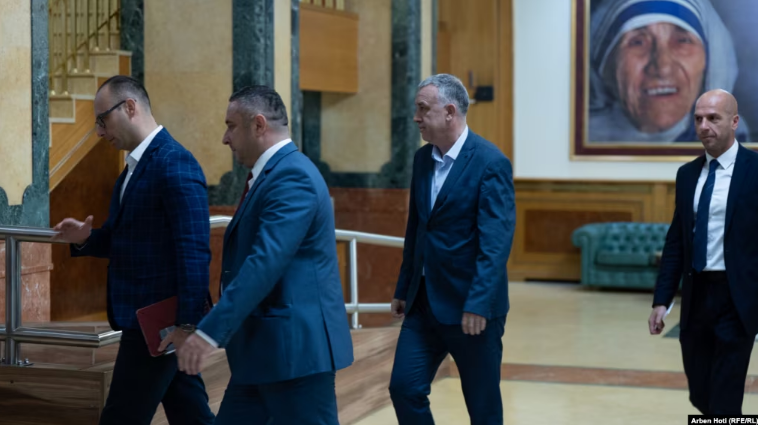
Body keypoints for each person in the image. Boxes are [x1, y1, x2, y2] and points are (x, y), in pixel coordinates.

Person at [174, 85, 354, 425]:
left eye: (231, 126)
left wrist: (210, 331)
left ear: (258, 125)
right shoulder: (273, 174)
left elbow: (265, 263)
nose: (225, 138)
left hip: (296, 354)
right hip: (264, 351)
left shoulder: (293, 176)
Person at [52, 75, 215, 425]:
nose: (99, 132)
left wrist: (187, 324)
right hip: (149, 320)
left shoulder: (174, 162)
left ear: (129, 107)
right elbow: (125, 239)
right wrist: (85, 237)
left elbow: (194, 252)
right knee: (191, 414)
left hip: (158, 323)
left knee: (122, 418)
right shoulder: (133, 168)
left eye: (102, 120)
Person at [388, 74, 515, 425]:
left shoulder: (490, 162)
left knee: (482, 407)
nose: (416, 117)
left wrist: (479, 303)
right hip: (423, 304)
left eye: (422, 109)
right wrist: (404, 287)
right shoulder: (422, 160)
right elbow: (417, 229)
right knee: (404, 388)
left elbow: (496, 243)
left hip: (471, 308)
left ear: (449, 112)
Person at [649, 89, 758, 414]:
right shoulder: (687, 175)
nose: (704, 126)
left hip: (738, 298)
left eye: (713, 118)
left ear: (734, 122)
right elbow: (676, 241)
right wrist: (662, 299)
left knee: (725, 397)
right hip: (696, 296)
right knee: (701, 392)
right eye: (698, 119)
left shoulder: (754, 170)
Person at [589, 0, 750, 143]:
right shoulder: (580, 142)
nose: (663, 67)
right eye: (638, 42)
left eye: (682, 40)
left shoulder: (736, 147)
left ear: (709, 62)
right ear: (605, 64)